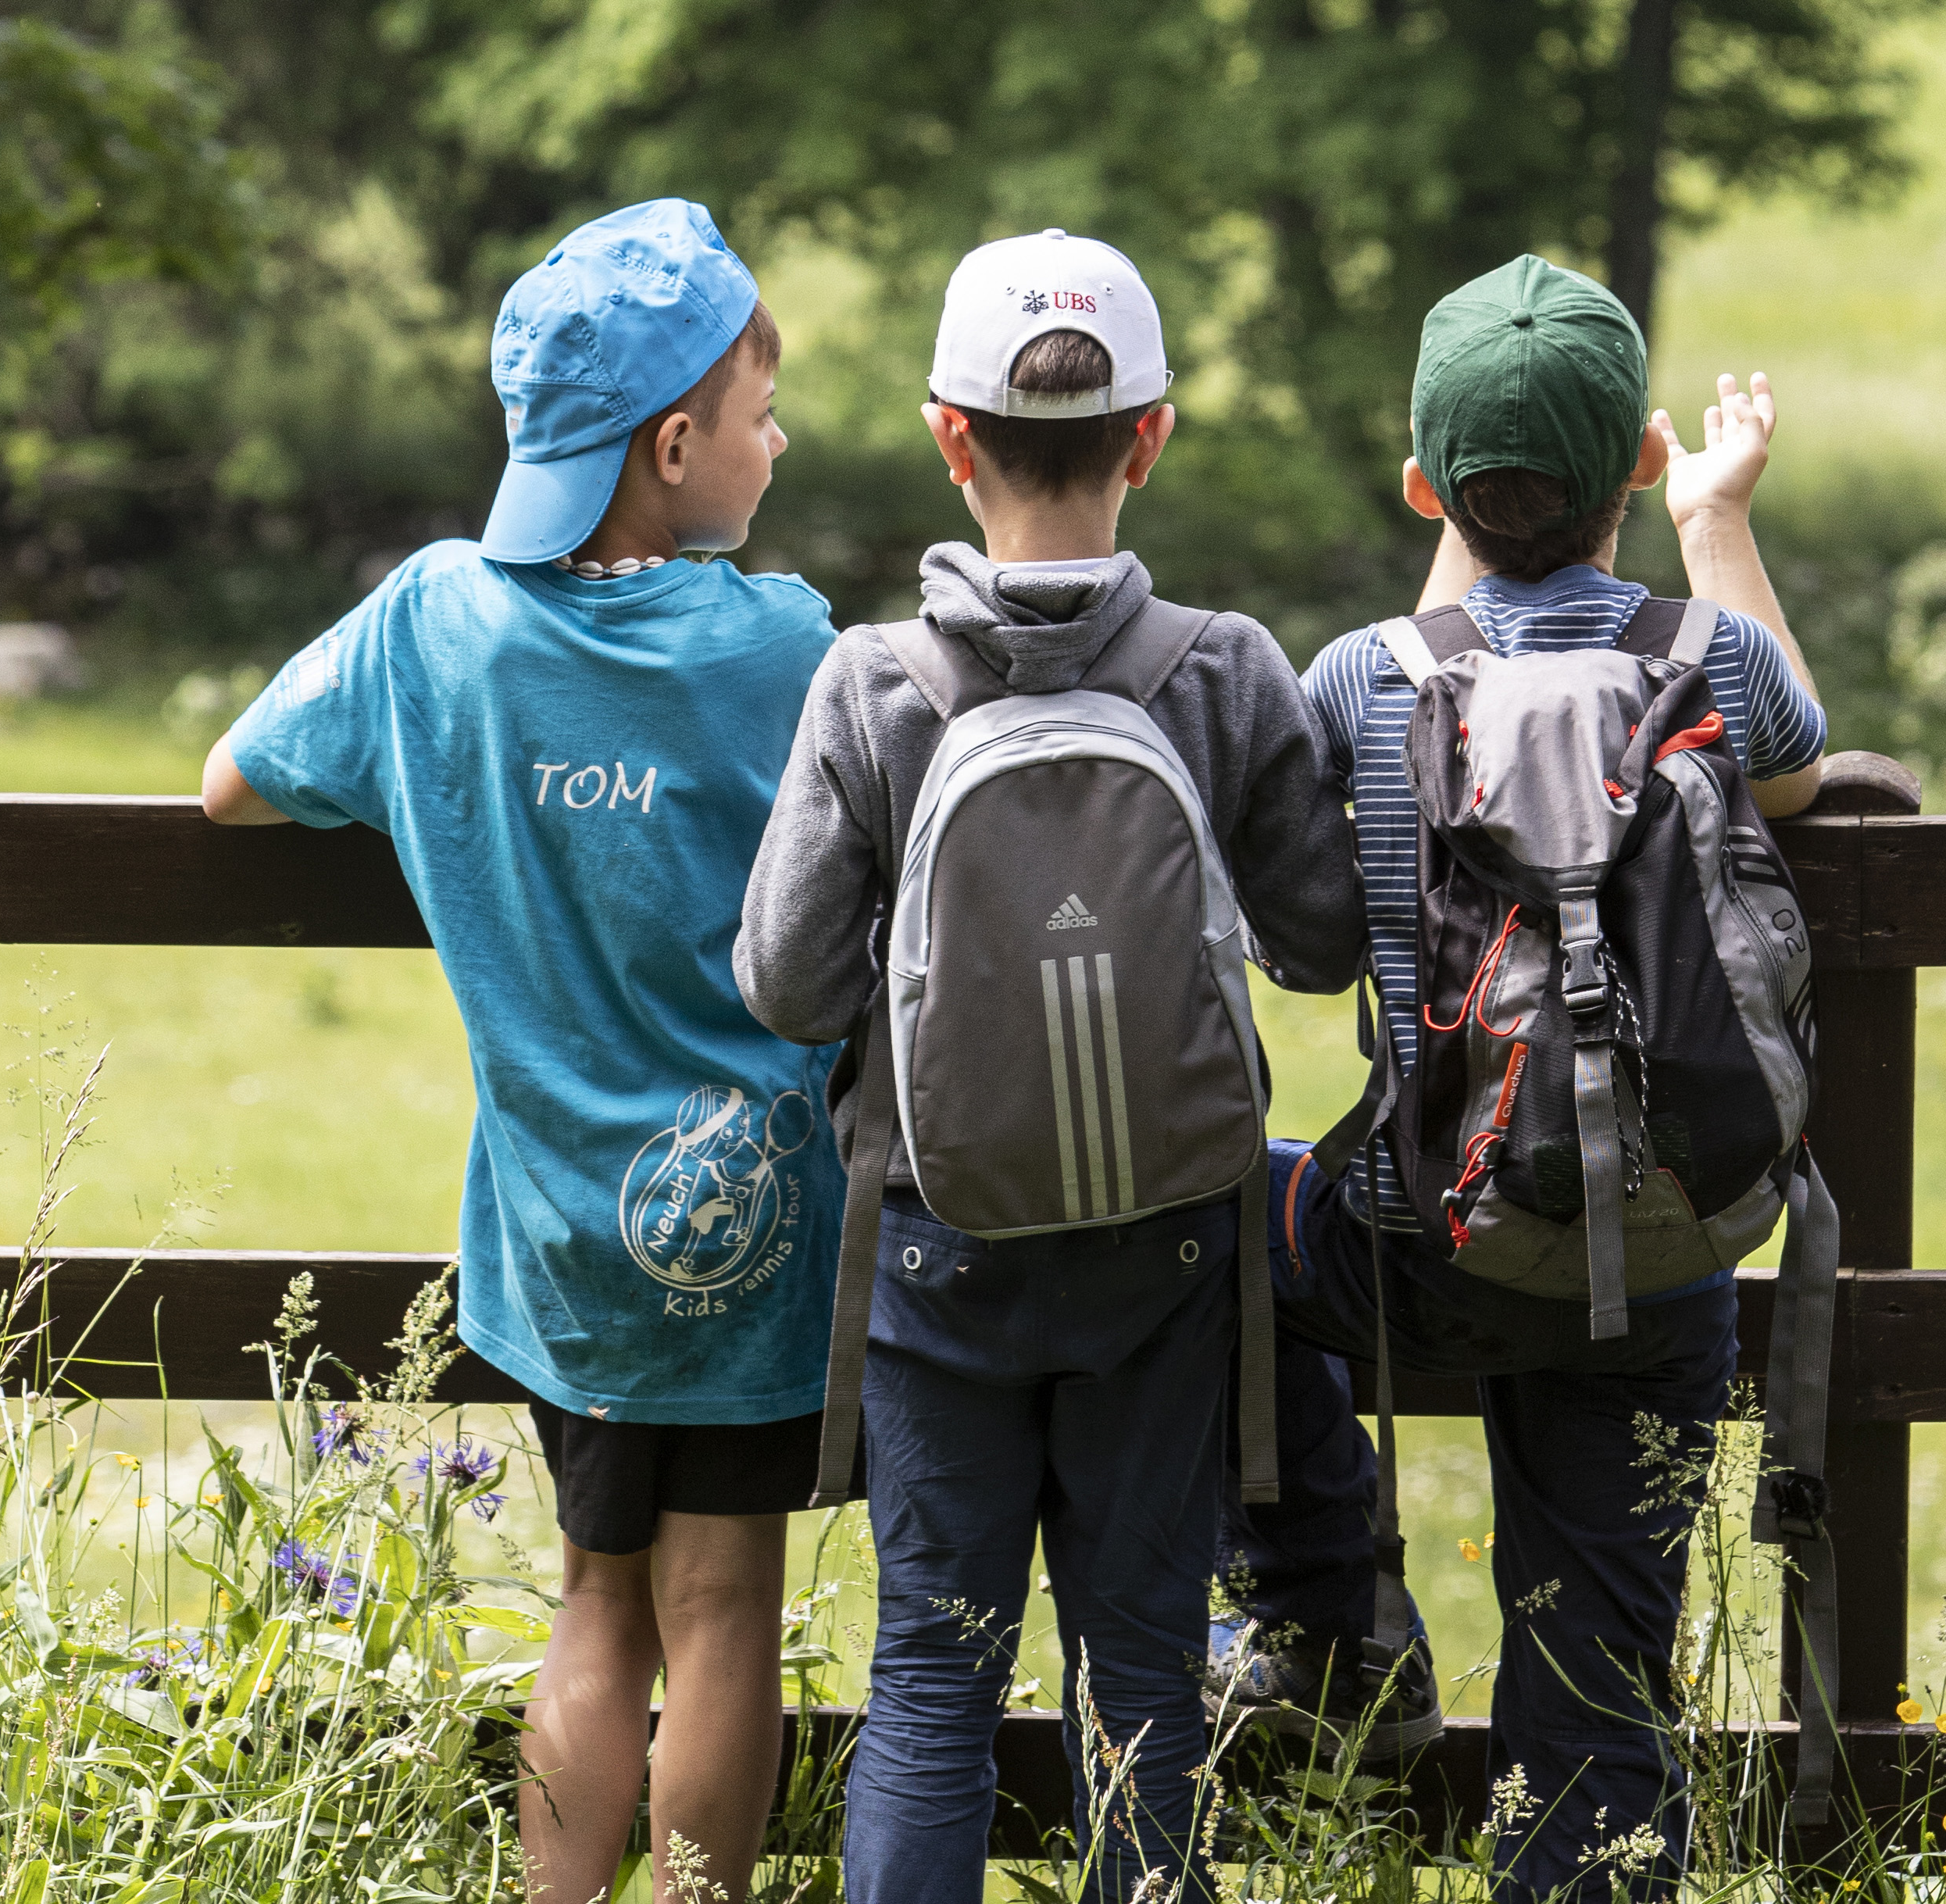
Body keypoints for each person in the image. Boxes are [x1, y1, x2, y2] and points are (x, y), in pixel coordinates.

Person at [198, 198, 838, 1904]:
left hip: (558, 1228)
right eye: (763, 417)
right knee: (724, 1616)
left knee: (593, 1601)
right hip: (759, 1218)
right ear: (677, 441)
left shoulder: (432, 624)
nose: (777, 449)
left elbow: (233, 781)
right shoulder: (778, 644)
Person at [737, 228, 1366, 1904]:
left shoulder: (873, 682)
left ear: (953, 433)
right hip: (1171, 1255)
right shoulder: (1220, 668)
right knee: (1144, 1694)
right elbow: (1319, 942)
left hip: (938, 1256)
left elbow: (791, 987)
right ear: (1149, 437)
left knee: (932, 1682)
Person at [1211, 255, 1826, 1901]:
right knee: (1599, 1688)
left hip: (1426, 1252)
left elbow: (1313, 957)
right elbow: (1799, 759)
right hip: (1670, 1250)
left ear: (1425, 488)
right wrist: (1710, 523)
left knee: (1203, 1222)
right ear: (1636, 459)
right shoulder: (1715, 661)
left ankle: (1324, 1605)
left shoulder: (1359, 679)